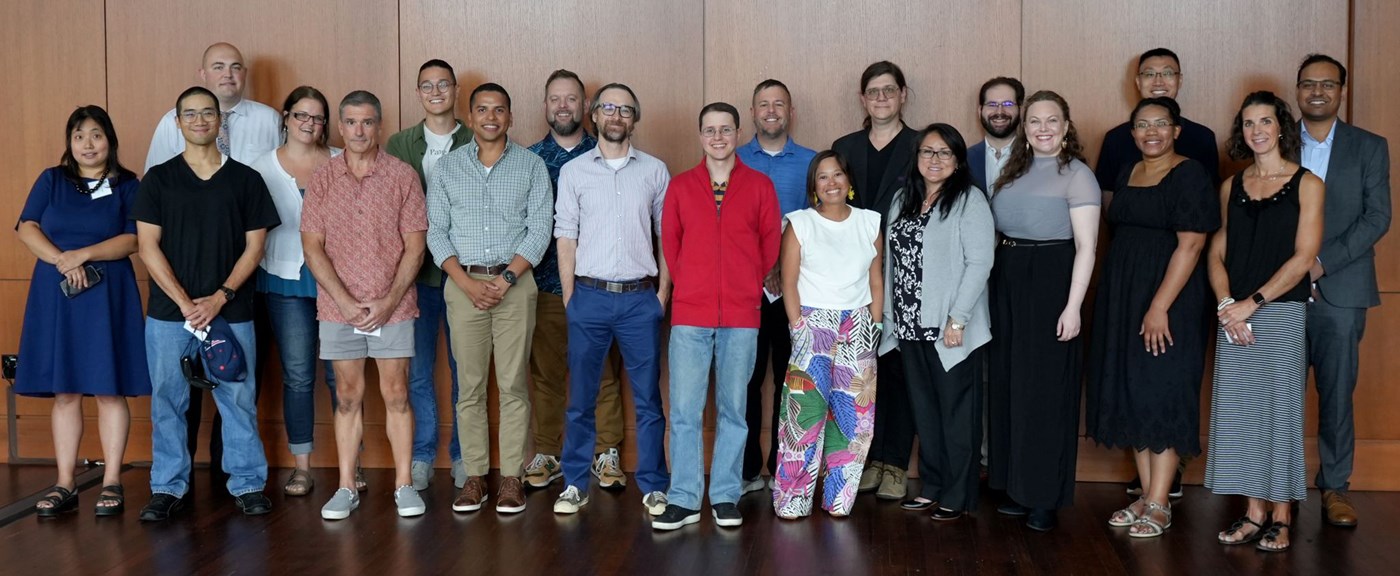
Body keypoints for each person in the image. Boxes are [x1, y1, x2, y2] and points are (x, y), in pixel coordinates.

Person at [132, 86, 280, 521]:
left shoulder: (246, 180)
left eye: (207, 113)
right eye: (190, 114)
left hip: (230, 312)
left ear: (220, 121)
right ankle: (166, 487)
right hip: (168, 315)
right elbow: (146, 246)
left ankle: (249, 484)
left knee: (238, 398)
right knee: (168, 401)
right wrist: (184, 303)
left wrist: (219, 297)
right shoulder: (158, 179)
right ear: (177, 123)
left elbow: (255, 248)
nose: (199, 120)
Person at [1086, 97, 1220, 538]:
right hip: (1124, 296)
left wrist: (1160, 305)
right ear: (1133, 132)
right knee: (1133, 392)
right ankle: (1146, 494)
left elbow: (1192, 246)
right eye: (1142, 125)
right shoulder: (1127, 172)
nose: (1152, 132)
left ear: (1177, 130)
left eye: (1161, 124)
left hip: (1170, 300)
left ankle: (1161, 501)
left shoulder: (1191, 174)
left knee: (1163, 392)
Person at [16, 105, 150, 517]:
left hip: (107, 293)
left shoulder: (129, 184)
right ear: (69, 143)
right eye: (78, 136)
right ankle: (65, 482)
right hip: (57, 294)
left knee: (109, 389)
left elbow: (133, 240)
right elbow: (27, 227)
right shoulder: (52, 180)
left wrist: (83, 255)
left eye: (95, 135)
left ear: (109, 139)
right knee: (67, 389)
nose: (87, 144)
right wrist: (63, 261)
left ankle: (111, 481)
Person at [301, 90, 428, 520]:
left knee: (396, 394)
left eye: (367, 122)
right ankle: (344, 486)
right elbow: (312, 246)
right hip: (339, 309)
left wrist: (389, 300)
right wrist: (344, 300)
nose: (359, 131)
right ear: (340, 127)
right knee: (348, 397)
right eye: (351, 123)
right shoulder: (323, 178)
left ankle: (404, 485)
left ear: (380, 126)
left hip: (394, 306)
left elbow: (415, 246)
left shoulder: (402, 176)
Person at [653, 102, 780, 530]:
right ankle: (685, 497)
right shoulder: (682, 186)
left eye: (726, 129)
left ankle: (725, 495)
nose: (718, 137)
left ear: (738, 132)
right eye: (710, 130)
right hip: (690, 313)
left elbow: (769, 246)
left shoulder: (760, 185)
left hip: (743, 315)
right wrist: (688, 285)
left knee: (734, 410)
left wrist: (745, 285)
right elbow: (671, 243)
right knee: (685, 411)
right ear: (700, 135)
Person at [1207, 91, 1324, 553]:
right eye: (1249, 123)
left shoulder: (1308, 184)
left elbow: (1304, 258)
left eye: (1265, 122)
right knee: (1242, 416)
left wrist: (1252, 303)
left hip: (1280, 312)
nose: (1257, 130)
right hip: (1233, 312)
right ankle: (1254, 514)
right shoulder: (1230, 186)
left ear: (1281, 128)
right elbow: (1217, 251)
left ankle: (1281, 516)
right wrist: (1225, 305)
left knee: (1278, 415)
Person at [429, 83, 552, 515]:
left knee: (515, 385)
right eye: (482, 109)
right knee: (470, 388)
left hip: (515, 287)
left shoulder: (533, 166)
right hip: (463, 288)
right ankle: (476, 478)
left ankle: (512, 479)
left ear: (510, 117)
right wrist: (464, 282)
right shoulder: (447, 169)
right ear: (471, 115)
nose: (491, 117)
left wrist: (505, 279)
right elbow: (436, 232)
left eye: (499, 110)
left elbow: (539, 230)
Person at [552, 83, 671, 516]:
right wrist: (570, 298)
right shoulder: (575, 172)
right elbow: (565, 235)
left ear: (634, 119)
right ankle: (574, 484)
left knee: (648, 401)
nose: (616, 115)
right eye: (608, 107)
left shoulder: (655, 171)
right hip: (589, 297)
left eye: (625, 109)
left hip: (641, 300)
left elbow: (667, 238)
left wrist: (662, 294)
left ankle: (655, 485)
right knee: (580, 398)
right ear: (594, 116)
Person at [988, 90, 1100, 532]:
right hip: (1009, 276)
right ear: (1024, 127)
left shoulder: (1078, 176)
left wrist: (1072, 307)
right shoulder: (1012, 171)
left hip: (1053, 278)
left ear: (1066, 126)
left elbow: (1087, 247)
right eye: (1034, 121)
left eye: (1052, 121)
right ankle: (1016, 487)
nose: (1043, 129)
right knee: (1011, 383)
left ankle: (1044, 497)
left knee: (1046, 392)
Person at [1295, 54, 1391, 528]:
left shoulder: (1370, 146)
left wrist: (1320, 265)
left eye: (1327, 84)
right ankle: (1280, 489)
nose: (1318, 91)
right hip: (1279, 293)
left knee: (1336, 395)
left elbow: (1378, 217)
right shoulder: (1269, 137)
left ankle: (1335, 487)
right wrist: (1288, 274)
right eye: (1309, 83)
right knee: (1279, 394)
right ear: (1297, 90)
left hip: (1342, 289)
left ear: (1341, 91)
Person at [880, 123, 994, 522]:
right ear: (917, 158)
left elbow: (980, 262)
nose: (935, 160)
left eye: (945, 153)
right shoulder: (902, 200)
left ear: (958, 160)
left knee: (956, 415)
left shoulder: (969, 200)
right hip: (910, 325)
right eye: (928, 152)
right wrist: (890, 319)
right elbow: (891, 262)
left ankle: (957, 494)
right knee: (925, 412)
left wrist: (958, 319)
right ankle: (931, 486)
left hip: (950, 328)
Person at [525, 69, 630, 492]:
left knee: (603, 376)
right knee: (547, 376)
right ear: (546, 106)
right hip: (545, 287)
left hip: (597, 291)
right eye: (555, 99)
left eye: (571, 99)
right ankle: (549, 453)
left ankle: (607, 455)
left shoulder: (608, 153)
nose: (563, 106)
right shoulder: (529, 159)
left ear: (586, 107)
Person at [771, 150, 883, 519]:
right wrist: (797, 325)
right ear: (813, 186)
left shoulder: (869, 222)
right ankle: (793, 499)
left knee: (854, 416)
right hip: (812, 323)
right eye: (823, 176)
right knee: (803, 416)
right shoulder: (800, 223)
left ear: (849, 182)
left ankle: (838, 498)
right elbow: (788, 281)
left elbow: (876, 277)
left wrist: (876, 322)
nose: (831, 182)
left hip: (859, 324)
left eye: (838, 175)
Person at [385, 59, 474, 490]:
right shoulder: (400, 143)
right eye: (426, 85)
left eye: (443, 84)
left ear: (456, 89)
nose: (435, 91)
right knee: (418, 371)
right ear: (418, 92)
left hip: (464, 274)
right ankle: (421, 454)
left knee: (464, 370)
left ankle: (462, 454)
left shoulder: (476, 138)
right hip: (415, 276)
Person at [832, 61, 918, 500]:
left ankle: (896, 464)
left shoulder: (923, 146)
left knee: (900, 370)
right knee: (861, 371)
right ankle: (866, 459)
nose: (881, 98)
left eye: (890, 90)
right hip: (852, 276)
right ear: (863, 99)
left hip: (906, 275)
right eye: (873, 91)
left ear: (903, 95)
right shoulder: (844, 147)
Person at [250, 86, 341, 497]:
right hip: (285, 281)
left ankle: (349, 464)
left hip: (340, 282)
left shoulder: (343, 161)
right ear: (285, 117)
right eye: (302, 115)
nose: (310, 124)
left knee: (343, 376)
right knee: (300, 376)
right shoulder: (260, 168)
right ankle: (302, 465)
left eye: (318, 117)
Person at [739, 79, 817, 493]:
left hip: (796, 292)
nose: (771, 111)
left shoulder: (811, 163)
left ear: (791, 112)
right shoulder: (731, 159)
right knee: (746, 381)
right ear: (752, 113)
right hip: (745, 292)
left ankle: (788, 470)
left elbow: (821, 226)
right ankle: (748, 470)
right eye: (763, 105)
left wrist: (783, 266)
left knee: (794, 381)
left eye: (779, 104)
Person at [1095, 48, 1221, 195]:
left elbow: (1210, 195)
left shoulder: (1203, 137)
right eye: (1149, 74)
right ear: (1138, 82)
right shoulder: (1115, 139)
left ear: (1179, 80)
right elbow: (1107, 195)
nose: (1158, 82)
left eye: (1167, 73)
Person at [968, 77, 1025, 191]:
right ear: (980, 111)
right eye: (992, 104)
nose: (999, 111)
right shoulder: (964, 159)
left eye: (1008, 104)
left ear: (1020, 110)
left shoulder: (1035, 157)